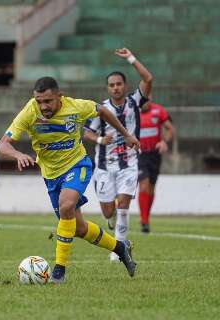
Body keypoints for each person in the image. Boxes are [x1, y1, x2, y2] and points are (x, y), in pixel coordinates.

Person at [0, 76, 139, 284]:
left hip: (77, 165)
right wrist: (17, 155)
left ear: (59, 96)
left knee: (67, 206)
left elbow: (102, 110)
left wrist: (125, 134)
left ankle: (59, 271)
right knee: (78, 228)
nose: (43, 106)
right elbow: (2, 145)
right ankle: (120, 247)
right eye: (39, 101)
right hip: (51, 175)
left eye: (48, 101)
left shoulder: (76, 107)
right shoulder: (30, 111)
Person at [83, 48, 153, 261]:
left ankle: (119, 249)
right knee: (107, 211)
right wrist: (100, 140)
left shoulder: (134, 102)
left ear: (125, 86)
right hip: (105, 165)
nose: (115, 88)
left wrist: (131, 58)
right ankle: (111, 218)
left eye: (119, 84)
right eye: (112, 85)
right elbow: (87, 132)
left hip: (129, 163)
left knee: (123, 203)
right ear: (107, 88)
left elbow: (148, 78)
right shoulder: (101, 109)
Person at [138, 95, 175, 233]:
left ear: (151, 98)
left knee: (151, 187)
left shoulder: (158, 111)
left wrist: (164, 142)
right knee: (144, 185)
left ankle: (146, 218)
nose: (145, 102)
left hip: (154, 154)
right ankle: (144, 220)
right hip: (139, 154)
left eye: (147, 99)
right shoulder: (132, 113)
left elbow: (169, 128)